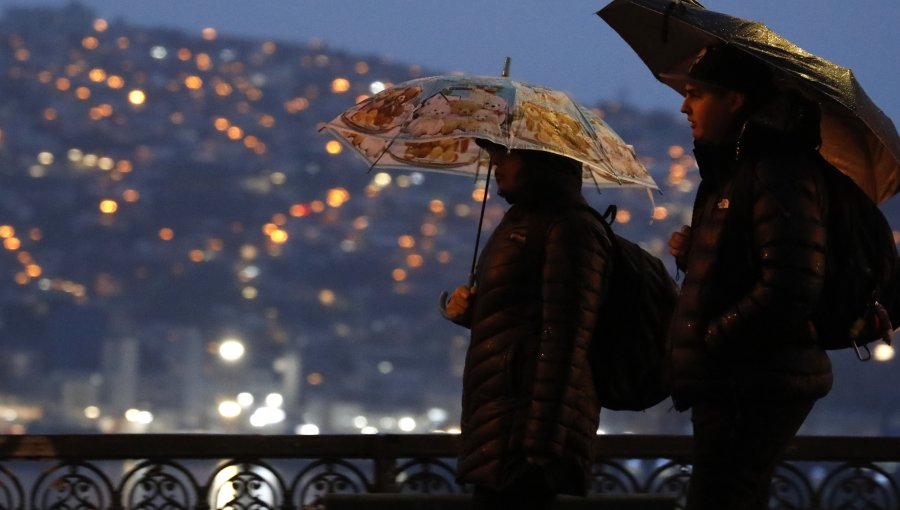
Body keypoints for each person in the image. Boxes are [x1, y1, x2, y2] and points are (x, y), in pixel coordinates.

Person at [665, 44, 834, 510]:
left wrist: (714, 337)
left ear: (735, 99)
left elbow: (790, 284)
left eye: (696, 94)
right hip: (737, 380)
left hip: (752, 381)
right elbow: (749, 267)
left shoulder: (776, 170)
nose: (684, 106)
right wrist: (694, 253)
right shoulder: (731, 171)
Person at [442, 140, 610, 510]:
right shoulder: (521, 222)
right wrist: (466, 309)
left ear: (538, 160)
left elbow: (565, 336)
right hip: (502, 420)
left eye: (506, 155)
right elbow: (520, 313)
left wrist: (542, 441)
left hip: (526, 429)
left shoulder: (570, 228)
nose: (495, 164)